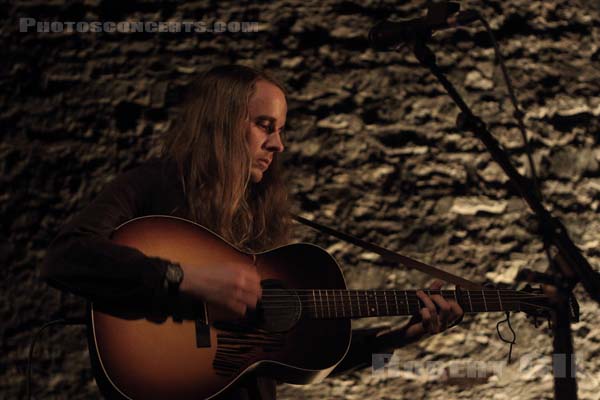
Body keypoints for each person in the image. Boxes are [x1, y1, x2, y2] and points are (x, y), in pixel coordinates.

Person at [42, 64, 463, 399]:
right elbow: (67, 256)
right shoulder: (153, 185)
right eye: (265, 125)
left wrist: (400, 337)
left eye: (280, 130)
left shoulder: (257, 219)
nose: (278, 145)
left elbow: (295, 352)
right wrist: (184, 279)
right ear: (221, 125)